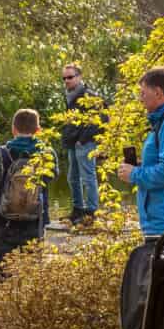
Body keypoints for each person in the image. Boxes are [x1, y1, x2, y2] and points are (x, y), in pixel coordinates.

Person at [118, 67, 164, 238]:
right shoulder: (163, 120)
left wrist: (134, 174)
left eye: (143, 93)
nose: (140, 99)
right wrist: (142, 166)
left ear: (158, 92)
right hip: (157, 223)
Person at [0, 107, 48, 276]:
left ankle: (4, 300)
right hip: (34, 219)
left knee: (4, 272)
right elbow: (51, 177)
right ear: (38, 130)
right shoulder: (46, 153)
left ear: (13, 129)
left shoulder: (2, 152)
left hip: (5, 220)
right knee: (32, 273)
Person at [60, 62, 99, 225]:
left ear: (79, 77)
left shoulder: (89, 96)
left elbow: (100, 120)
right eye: (64, 78)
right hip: (73, 143)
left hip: (85, 143)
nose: (67, 81)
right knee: (72, 178)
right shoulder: (69, 95)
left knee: (88, 177)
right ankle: (77, 209)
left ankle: (91, 212)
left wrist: (82, 140)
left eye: (70, 77)